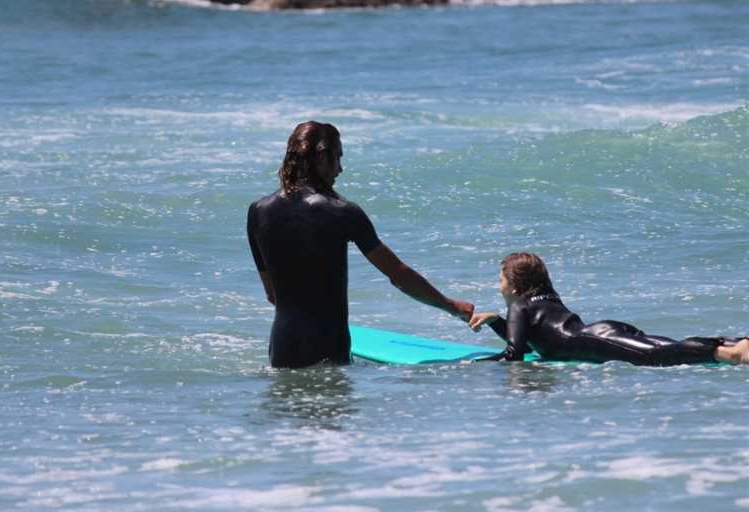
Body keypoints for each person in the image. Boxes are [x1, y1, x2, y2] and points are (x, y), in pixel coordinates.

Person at [247, 121, 475, 369]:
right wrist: (451, 306)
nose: (340, 169)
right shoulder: (342, 211)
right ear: (322, 157)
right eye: (338, 158)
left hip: (282, 352)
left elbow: (272, 295)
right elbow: (397, 274)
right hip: (328, 349)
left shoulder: (258, 212)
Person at [467, 252, 749, 366]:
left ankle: (727, 352)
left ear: (515, 286)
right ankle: (734, 342)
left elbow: (515, 354)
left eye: (501, 279)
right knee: (665, 345)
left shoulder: (519, 306)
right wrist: (495, 320)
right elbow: (527, 345)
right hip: (603, 330)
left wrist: (470, 367)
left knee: (654, 357)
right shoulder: (545, 296)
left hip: (593, 340)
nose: (499, 286)